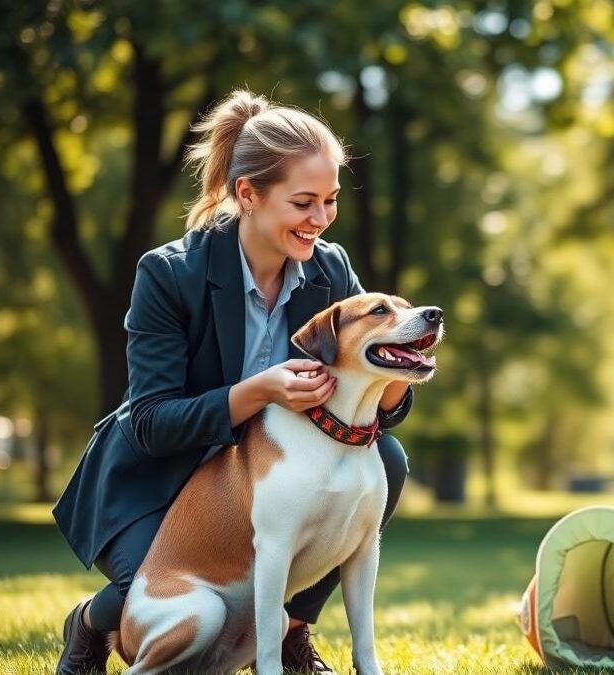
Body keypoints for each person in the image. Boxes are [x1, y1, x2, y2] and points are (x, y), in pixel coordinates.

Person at [52, 90, 412, 675]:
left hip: (269, 469)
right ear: (247, 193)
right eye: (303, 202)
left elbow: (374, 400)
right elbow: (149, 423)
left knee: (385, 462)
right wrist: (263, 389)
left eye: (331, 201)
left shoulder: (331, 268)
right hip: (160, 471)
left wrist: (397, 367)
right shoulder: (168, 273)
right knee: (149, 593)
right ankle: (90, 621)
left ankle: (292, 631)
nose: (320, 220)